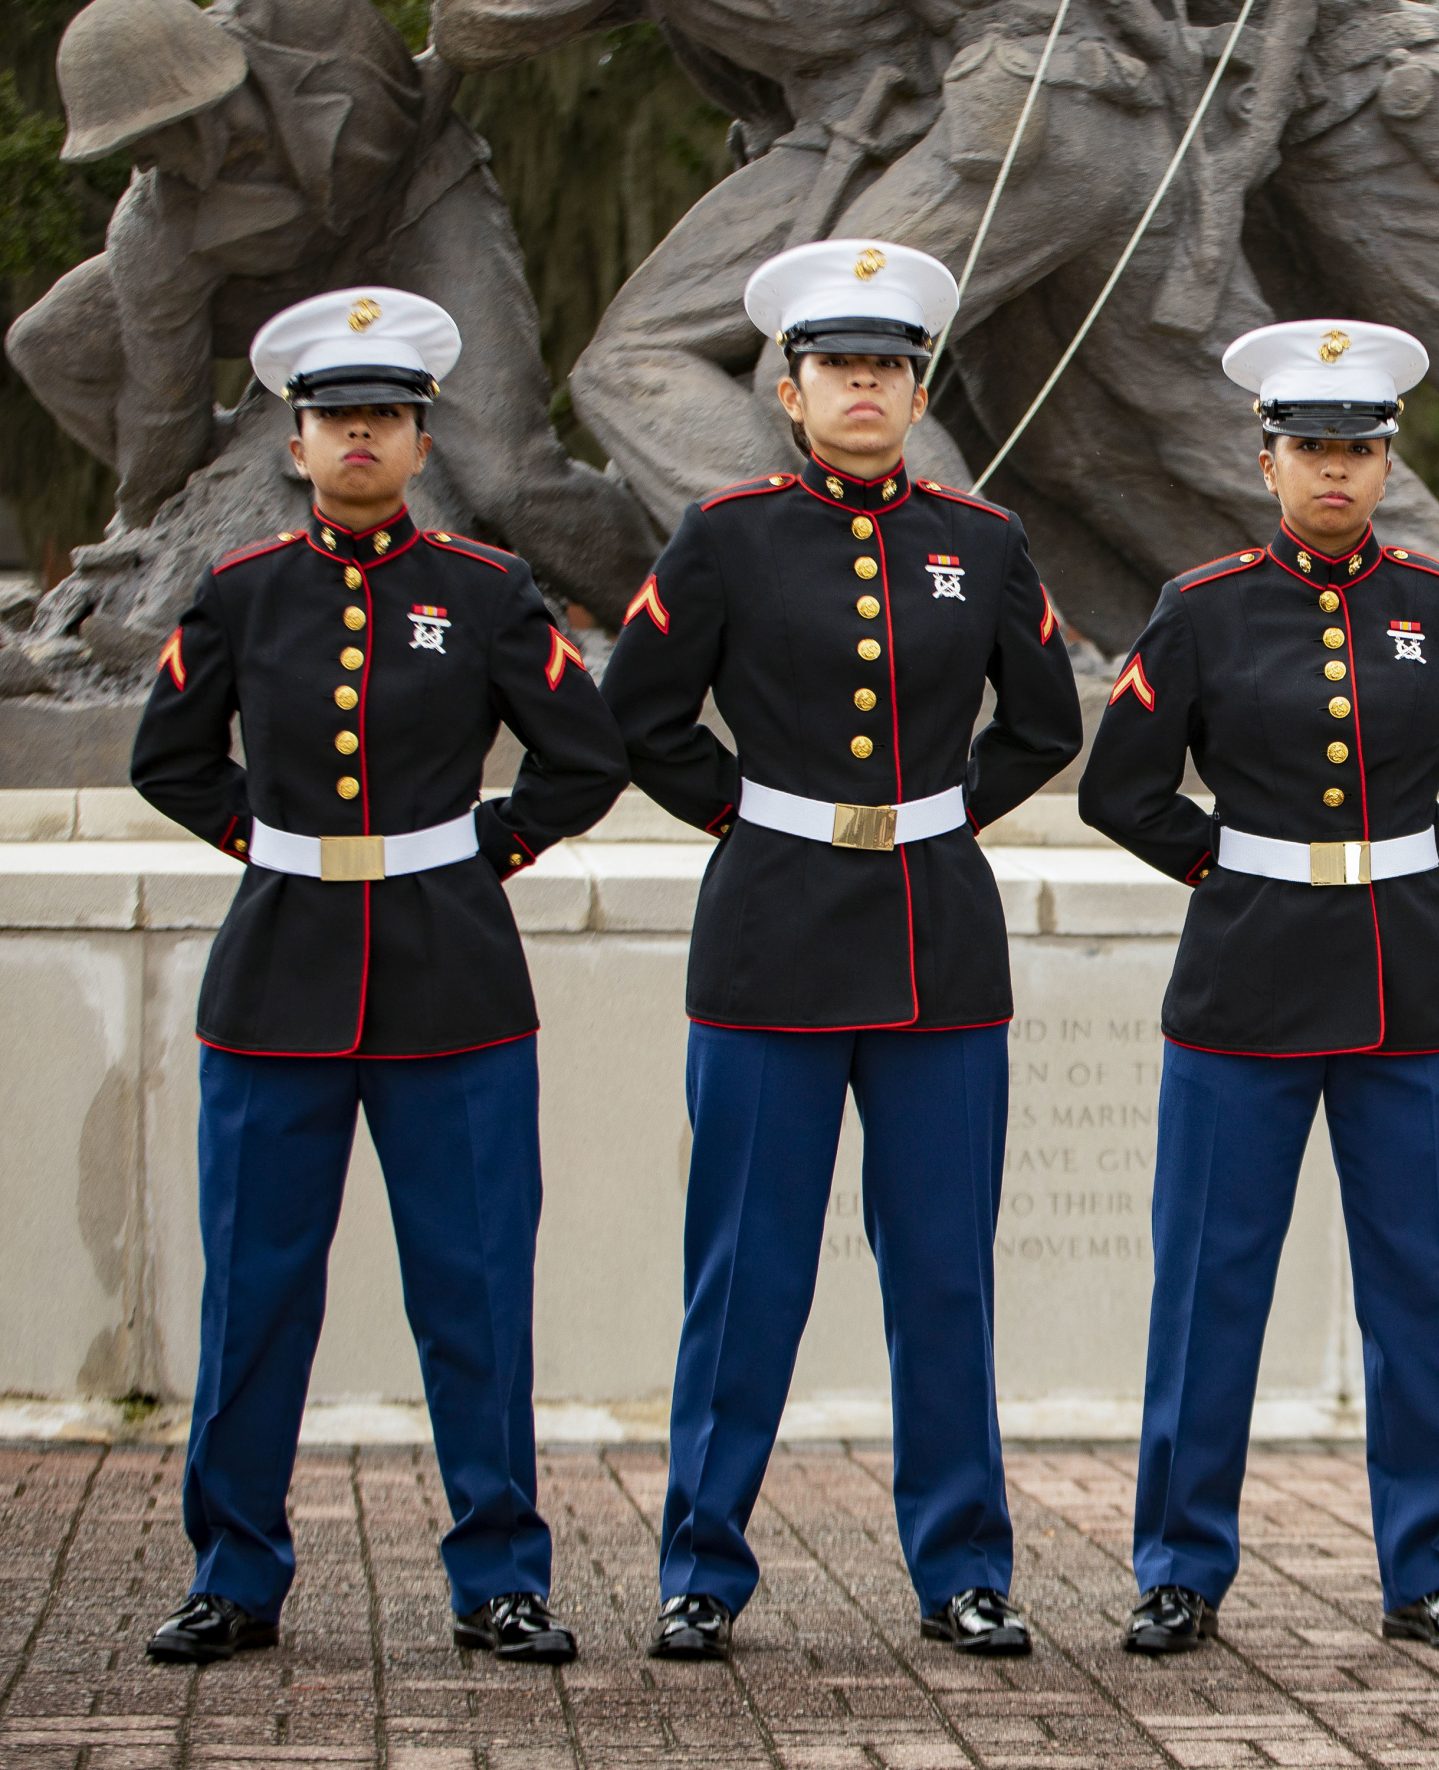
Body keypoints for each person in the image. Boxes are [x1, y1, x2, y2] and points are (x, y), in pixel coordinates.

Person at [128, 286, 628, 1666]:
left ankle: (500, 1576)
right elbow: (166, 758)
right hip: (279, 979)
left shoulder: (483, 589)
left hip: (451, 985)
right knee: (256, 1290)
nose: (359, 437)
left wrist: (483, 850)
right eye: (335, 417)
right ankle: (234, 1570)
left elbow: (583, 755)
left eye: (385, 418)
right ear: (297, 442)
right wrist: (273, 846)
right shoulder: (239, 593)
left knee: (474, 1291)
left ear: (420, 440)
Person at [601, 239, 1083, 1661]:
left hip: (937, 946)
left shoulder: (981, 544)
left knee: (943, 1271)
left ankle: (964, 1570)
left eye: (887, 367)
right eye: (837, 369)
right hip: (769, 941)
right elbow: (644, 713)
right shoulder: (726, 534)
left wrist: (934, 822)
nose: (864, 388)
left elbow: (1045, 723)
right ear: (792, 390)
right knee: (745, 1269)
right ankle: (702, 1564)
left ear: (917, 386)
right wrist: (753, 819)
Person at [1080, 319, 1439, 1656]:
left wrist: (1418, 861)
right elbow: (1122, 785)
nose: (1336, 474)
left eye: (1358, 451)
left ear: (1387, 463)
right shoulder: (1205, 605)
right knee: (1208, 1287)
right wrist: (1231, 870)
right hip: (1243, 984)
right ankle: (1179, 1563)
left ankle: (1431, 1569)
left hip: (1410, 985)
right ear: (1268, 459)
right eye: (1312, 451)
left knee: (1422, 1286)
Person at [10, 0, 655, 623]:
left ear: (194, 102)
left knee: (509, 477)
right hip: (292, 288)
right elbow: (164, 401)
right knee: (50, 340)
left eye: (146, 140)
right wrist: (150, 514)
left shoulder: (304, 20)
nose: (141, 163)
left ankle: (659, 610)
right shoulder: (155, 232)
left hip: (420, 209)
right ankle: (237, 488)